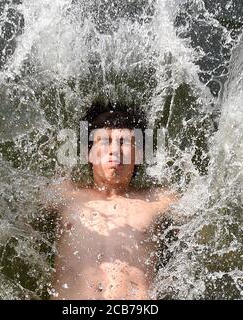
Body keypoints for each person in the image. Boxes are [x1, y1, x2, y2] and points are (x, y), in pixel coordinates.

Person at [42, 99, 178, 300]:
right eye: (104, 141)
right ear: (89, 153)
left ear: (138, 154)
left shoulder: (158, 201)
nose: (114, 150)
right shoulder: (65, 195)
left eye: (124, 142)